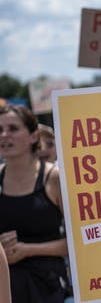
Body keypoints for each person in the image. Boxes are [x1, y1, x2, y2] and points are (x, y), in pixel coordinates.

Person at [0, 105, 68, 302]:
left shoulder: (54, 178)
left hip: (47, 288)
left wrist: (27, 250)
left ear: (33, 136)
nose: (4, 135)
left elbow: (79, 243)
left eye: (13, 128)